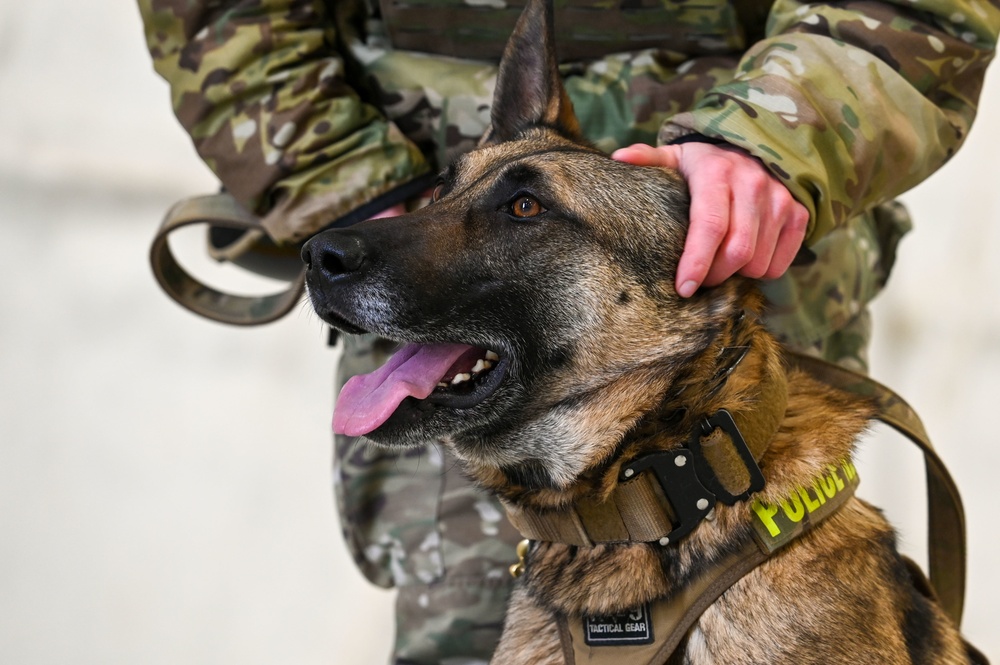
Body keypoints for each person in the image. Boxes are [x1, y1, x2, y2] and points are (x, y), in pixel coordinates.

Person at [138, 0, 999, 662]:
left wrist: (779, 136)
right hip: (405, 174)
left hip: (750, 226)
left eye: (520, 209)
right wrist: (339, 176)